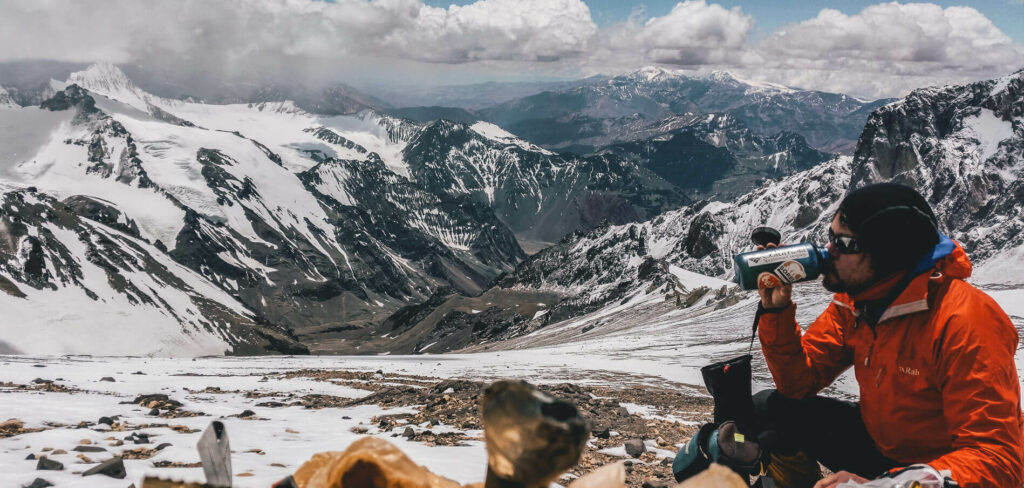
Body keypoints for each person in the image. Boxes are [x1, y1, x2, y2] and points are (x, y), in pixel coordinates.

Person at [753, 183, 1024, 488]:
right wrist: (776, 313)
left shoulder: (964, 321)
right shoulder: (855, 301)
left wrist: (887, 485)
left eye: (845, 244)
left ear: (888, 255)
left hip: (943, 472)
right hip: (882, 445)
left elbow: (996, 460)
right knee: (771, 409)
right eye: (831, 238)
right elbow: (798, 383)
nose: (829, 251)